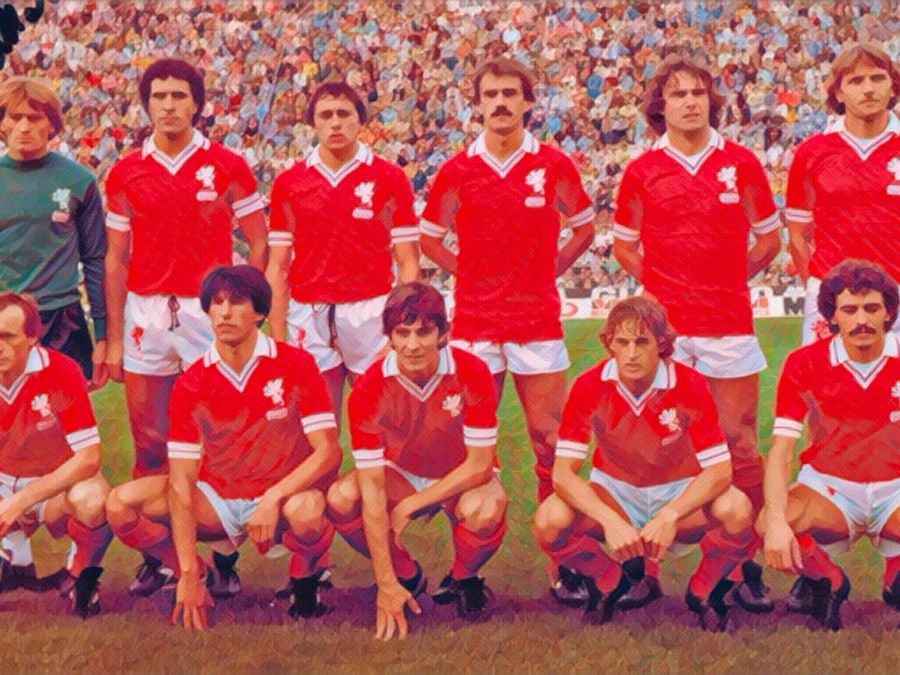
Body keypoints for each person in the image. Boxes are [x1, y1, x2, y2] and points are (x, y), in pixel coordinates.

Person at [612, 54, 781, 611]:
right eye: (678, 94)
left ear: (712, 101)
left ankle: (745, 566)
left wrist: (729, 281)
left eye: (698, 93)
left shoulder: (741, 163)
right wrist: (658, 292)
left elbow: (769, 239)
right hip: (666, 335)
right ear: (660, 106)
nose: (689, 102)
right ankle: (644, 568)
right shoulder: (642, 170)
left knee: (739, 443)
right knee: (656, 448)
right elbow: (623, 245)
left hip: (728, 325)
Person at [104, 58, 267, 594]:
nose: (169, 105)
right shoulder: (126, 171)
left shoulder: (227, 165)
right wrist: (113, 336)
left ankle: (222, 557)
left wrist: (245, 305)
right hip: (147, 313)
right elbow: (116, 259)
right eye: (159, 96)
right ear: (146, 104)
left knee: (220, 437)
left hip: (208, 312)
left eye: (179, 96)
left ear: (197, 103)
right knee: (149, 440)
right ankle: (164, 558)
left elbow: (259, 242)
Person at [105, 266, 341, 629]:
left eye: (237, 302)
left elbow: (328, 451)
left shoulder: (296, 363)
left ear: (260, 312)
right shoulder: (191, 381)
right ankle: (197, 573)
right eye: (216, 303)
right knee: (121, 504)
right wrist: (187, 571)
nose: (225, 313)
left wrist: (274, 497)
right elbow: (181, 481)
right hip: (218, 500)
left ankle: (303, 577)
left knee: (308, 511)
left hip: (280, 500)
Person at [420, 58, 595, 504]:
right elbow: (429, 239)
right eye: (491, 95)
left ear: (527, 102)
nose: (500, 103)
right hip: (475, 322)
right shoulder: (457, 171)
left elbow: (584, 228)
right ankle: (474, 539)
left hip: (536, 319)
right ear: (477, 105)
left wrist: (550, 270)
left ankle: (559, 537)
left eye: (510, 93)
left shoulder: (553, 165)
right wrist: (468, 273)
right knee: (469, 439)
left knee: (549, 436)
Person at [533, 297, 756, 632]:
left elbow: (720, 470)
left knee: (737, 510)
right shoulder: (589, 385)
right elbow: (563, 474)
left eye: (642, 342)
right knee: (549, 519)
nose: (631, 354)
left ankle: (703, 591)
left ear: (662, 344)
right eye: (621, 342)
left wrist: (670, 514)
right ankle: (610, 580)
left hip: (677, 491)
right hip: (615, 493)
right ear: (609, 343)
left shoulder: (689, 383)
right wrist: (609, 519)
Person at [327, 282, 507, 640]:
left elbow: (480, 464)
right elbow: (372, 486)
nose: (413, 345)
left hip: (460, 472)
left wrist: (415, 503)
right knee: (341, 498)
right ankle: (406, 575)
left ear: (443, 334)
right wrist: (385, 583)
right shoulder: (368, 387)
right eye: (403, 333)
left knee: (487, 508)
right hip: (401, 473)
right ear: (389, 337)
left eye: (424, 332)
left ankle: (463, 578)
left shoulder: (472, 370)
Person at [0, 77, 108, 584]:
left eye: (35, 117)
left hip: (61, 319)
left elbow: (96, 259)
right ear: (3, 124)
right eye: (15, 117)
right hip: (2, 323)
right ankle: (16, 555)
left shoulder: (79, 180)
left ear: (52, 125)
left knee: (63, 435)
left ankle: (77, 562)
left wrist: (103, 334)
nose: (24, 127)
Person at [266, 81, 419, 422]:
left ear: (360, 120)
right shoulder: (289, 183)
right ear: (313, 123)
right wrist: (278, 339)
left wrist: (401, 322)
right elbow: (278, 266)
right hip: (310, 313)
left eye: (343, 114)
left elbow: (408, 260)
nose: (335, 123)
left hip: (371, 312)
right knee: (316, 428)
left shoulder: (389, 177)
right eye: (325, 115)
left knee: (381, 425)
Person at [759, 259, 900, 631]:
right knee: (770, 520)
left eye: (872, 308)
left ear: (889, 312)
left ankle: (896, 576)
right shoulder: (804, 363)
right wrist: (777, 523)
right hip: (830, 490)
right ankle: (829, 581)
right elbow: (781, 451)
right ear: (832, 316)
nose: (861, 320)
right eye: (849, 310)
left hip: (895, 490)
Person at [0, 292, 112, 617]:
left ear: (32, 338)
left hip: (53, 488)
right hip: (4, 482)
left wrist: (21, 501)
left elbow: (88, 457)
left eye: (8, 337)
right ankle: (15, 559)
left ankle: (80, 573)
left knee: (93, 499)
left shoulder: (58, 372)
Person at [785, 42, 900, 345]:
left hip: (897, 294)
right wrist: (819, 286)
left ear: (892, 86)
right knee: (824, 377)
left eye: (877, 78)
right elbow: (797, 234)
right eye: (856, 80)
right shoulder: (812, 152)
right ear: (838, 92)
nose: (868, 89)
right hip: (833, 296)